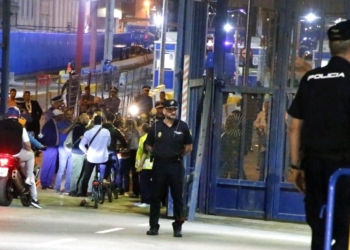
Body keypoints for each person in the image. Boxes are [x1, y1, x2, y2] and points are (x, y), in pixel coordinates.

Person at [288, 20, 350, 250]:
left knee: (319, 227)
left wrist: (295, 166)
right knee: (344, 231)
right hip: (345, 169)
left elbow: (294, 126)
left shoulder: (311, 78)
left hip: (313, 166)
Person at [145, 99, 193, 237]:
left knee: (177, 197)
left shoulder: (183, 127)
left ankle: (178, 226)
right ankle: (153, 226)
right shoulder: (156, 126)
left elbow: (189, 146)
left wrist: (177, 155)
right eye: (170, 109)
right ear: (164, 111)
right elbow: (148, 144)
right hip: (159, 165)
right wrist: (157, 152)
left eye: (175, 109)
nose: (173, 112)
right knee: (156, 197)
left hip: (175, 165)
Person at [0, 107, 41, 208]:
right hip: (15, 154)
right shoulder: (20, 127)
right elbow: (27, 144)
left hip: (1, 154)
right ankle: (30, 177)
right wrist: (29, 149)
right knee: (31, 155)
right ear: (18, 116)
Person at [78, 115, 111, 206]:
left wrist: (86, 152)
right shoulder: (107, 132)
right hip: (103, 158)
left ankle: (83, 197)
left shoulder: (88, 132)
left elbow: (81, 145)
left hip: (91, 158)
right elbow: (109, 143)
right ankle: (104, 179)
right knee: (110, 163)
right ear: (102, 122)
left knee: (86, 176)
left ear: (93, 122)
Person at [100, 113, 127, 189]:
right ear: (114, 120)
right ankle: (116, 186)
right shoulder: (115, 130)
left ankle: (102, 184)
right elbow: (123, 141)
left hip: (101, 152)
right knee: (116, 168)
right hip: (111, 151)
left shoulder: (100, 129)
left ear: (105, 119)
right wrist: (123, 147)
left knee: (102, 167)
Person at [40, 109, 64, 190]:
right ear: (57, 116)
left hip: (54, 147)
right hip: (49, 147)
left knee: (52, 166)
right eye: (61, 115)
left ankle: (49, 183)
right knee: (47, 165)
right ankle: (44, 182)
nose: (62, 117)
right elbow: (44, 135)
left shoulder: (54, 123)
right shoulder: (49, 124)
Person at [55, 108, 77, 194]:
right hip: (63, 149)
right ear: (64, 115)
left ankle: (67, 188)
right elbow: (64, 132)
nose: (69, 116)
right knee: (61, 169)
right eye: (67, 114)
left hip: (72, 149)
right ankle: (57, 188)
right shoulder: (60, 124)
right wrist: (74, 124)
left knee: (70, 170)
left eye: (71, 114)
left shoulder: (74, 124)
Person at [69, 113, 90, 196]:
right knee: (76, 173)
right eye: (86, 118)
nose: (88, 120)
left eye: (88, 118)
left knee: (80, 173)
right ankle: (73, 190)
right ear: (81, 119)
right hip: (78, 152)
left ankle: (77, 190)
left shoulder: (83, 128)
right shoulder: (78, 128)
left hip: (81, 153)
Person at [135, 123, 152, 208]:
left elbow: (145, 152)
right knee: (145, 184)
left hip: (146, 165)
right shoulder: (147, 137)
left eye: (141, 128)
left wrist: (140, 165)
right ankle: (143, 200)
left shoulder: (145, 138)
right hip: (148, 165)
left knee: (145, 184)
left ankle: (147, 201)